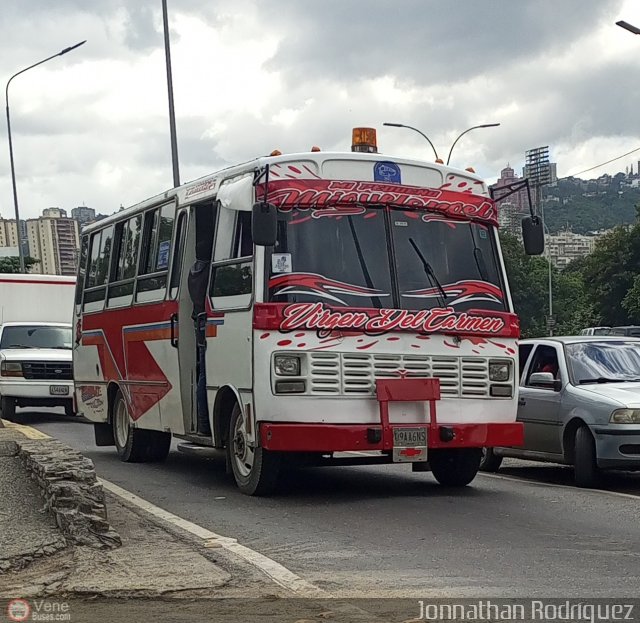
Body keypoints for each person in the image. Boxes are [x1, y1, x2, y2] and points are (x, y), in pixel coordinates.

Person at [187, 258, 211, 436]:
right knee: (207, 374)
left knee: (203, 373)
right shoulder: (209, 270)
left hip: (199, 322)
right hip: (207, 322)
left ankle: (203, 424)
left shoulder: (193, 272)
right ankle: (204, 423)